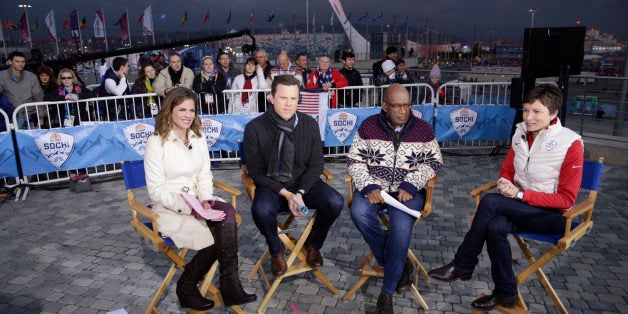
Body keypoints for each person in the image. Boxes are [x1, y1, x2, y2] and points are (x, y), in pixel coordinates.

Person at [427, 84, 584, 311]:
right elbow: (508, 170)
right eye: (526, 110)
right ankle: (506, 294)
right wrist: (504, 182)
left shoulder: (570, 143)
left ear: (553, 113)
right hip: (518, 207)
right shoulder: (520, 132)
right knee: (494, 226)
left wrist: (519, 193)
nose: (529, 117)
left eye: (536, 111)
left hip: (550, 216)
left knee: (490, 202)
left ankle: (463, 264)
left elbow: (567, 200)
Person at [144, 87, 257, 311]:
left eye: (192, 110)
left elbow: (205, 174)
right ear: (169, 111)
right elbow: (156, 191)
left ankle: (229, 282)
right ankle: (187, 286)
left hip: (199, 200)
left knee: (228, 215)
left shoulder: (199, 136)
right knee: (218, 238)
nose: (187, 115)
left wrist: (205, 199)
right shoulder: (156, 142)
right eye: (182, 109)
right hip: (170, 207)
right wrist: (189, 207)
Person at [347, 84, 443, 313]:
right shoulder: (369, 126)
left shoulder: (423, 129)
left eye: (407, 105)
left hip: (406, 193)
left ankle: (387, 293)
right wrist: (368, 185)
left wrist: (412, 183)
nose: (403, 110)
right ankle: (399, 267)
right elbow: (354, 161)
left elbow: (434, 161)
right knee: (358, 212)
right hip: (375, 189)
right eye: (397, 106)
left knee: (400, 228)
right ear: (385, 106)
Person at [243, 75, 344, 277]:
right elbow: (255, 173)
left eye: (294, 99)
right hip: (272, 186)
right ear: (271, 97)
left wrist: (299, 192)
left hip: (303, 184)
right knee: (260, 210)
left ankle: (312, 244)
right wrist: (287, 195)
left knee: (335, 201)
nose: (289, 104)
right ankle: (276, 249)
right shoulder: (255, 128)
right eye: (283, 98)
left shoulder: (309, 124)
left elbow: (316, 164)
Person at [0, 51, 44, 129]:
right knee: (14, 140)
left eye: (23, 61)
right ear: (10, 61)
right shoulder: (2, 76)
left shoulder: (31, 77)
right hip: (12, 117)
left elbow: (38, 97)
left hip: (31, 115)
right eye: (17, 61)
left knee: (32, 140)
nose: (21, 64)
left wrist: (41, 117)